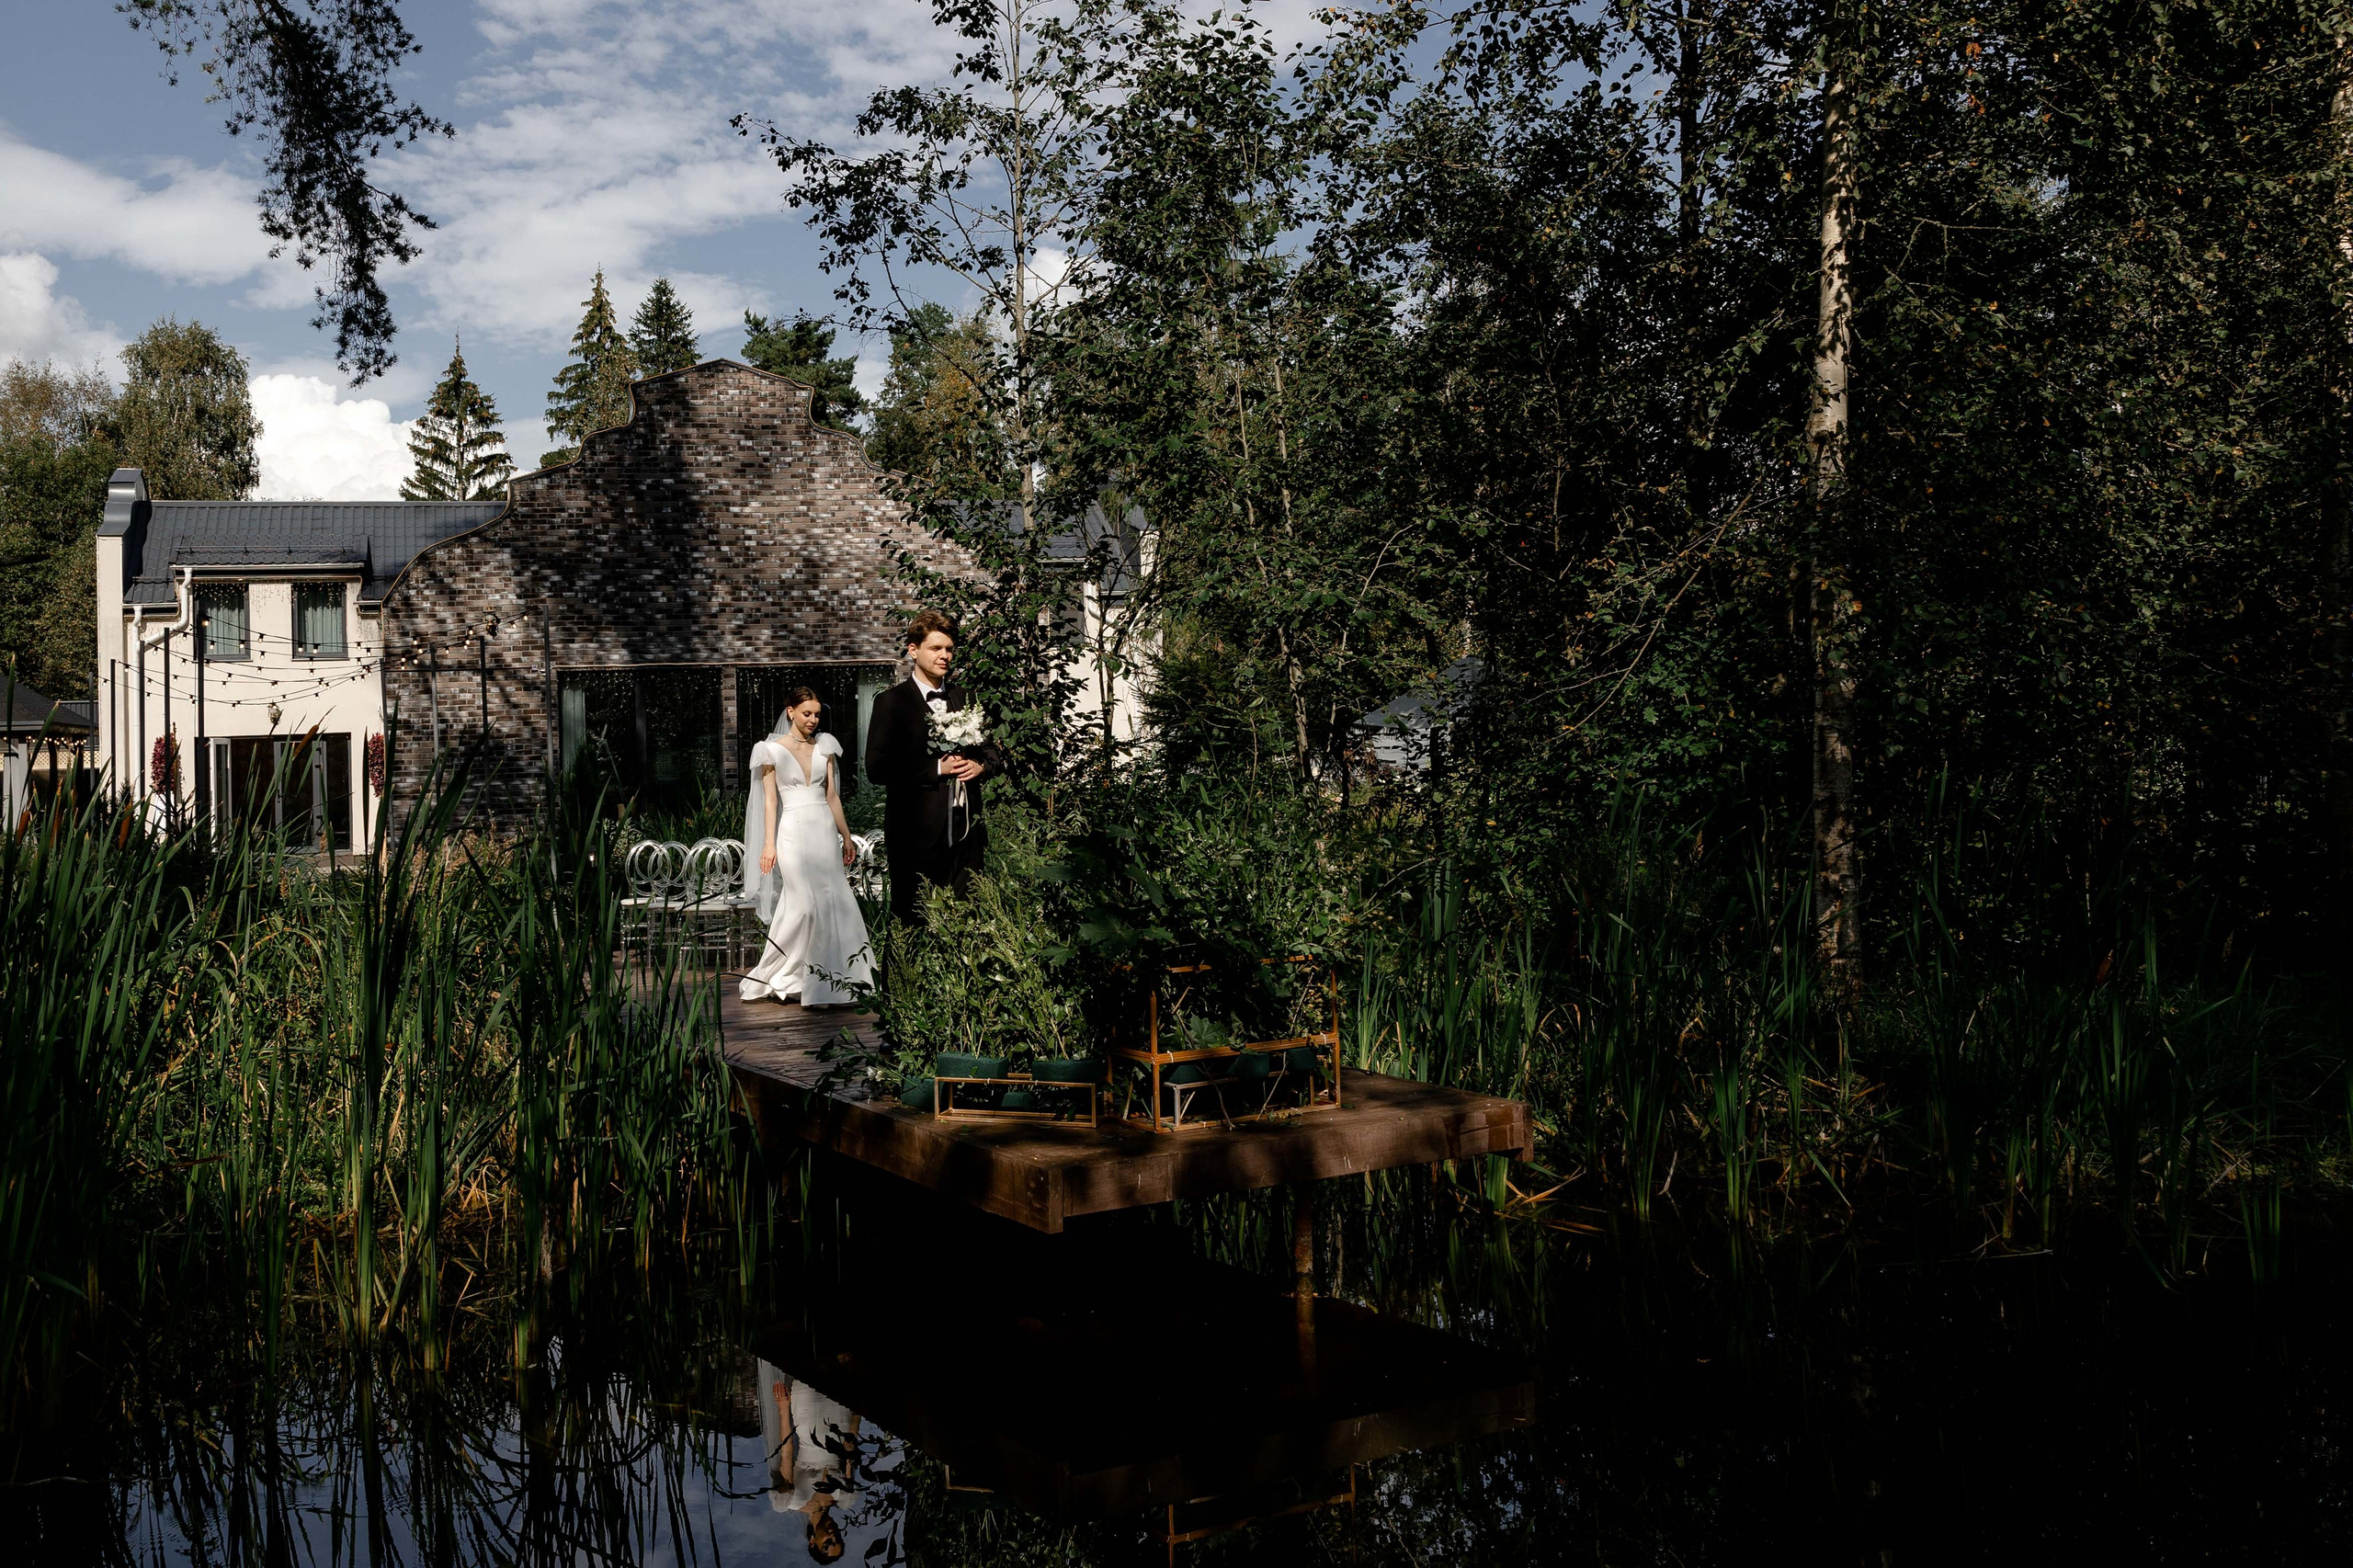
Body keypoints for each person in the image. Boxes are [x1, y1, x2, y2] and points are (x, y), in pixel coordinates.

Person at [863, 609, 1005, 925]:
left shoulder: (965, 698)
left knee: (968, 924)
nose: (945, 656)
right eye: (936, 648)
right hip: (915, 836)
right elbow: (877, 768)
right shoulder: (891, 702)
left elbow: (992, 753)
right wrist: (936, 769)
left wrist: (981, 767)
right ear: (913, 650)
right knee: (913, 924)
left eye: (949, 649)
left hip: (966, 836)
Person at [740, 687, 872, 1005]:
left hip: (823, 830)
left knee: (833, 901)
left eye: (817, 714)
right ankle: (782, 974)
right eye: (806, 713)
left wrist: (846, 835)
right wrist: (768, 844)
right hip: (792, 834)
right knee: (803, 907)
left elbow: (832, 796)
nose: (813, 720)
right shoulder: (769, 750)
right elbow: (770, 801)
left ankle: (831, 982)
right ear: (791, 712)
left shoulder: (825, 746)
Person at [758, 1359, 862, 1564]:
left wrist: (783, 1409)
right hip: (839, 1419)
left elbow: (787, 1453)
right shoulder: (844, 1497)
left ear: (813, 1542)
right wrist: (858, 1409)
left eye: (828, 1543)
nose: (833, 1535)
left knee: (807, 1361)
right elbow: (850, 1448)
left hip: (807, 1418)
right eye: (838, 1539)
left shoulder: (791, 1501)